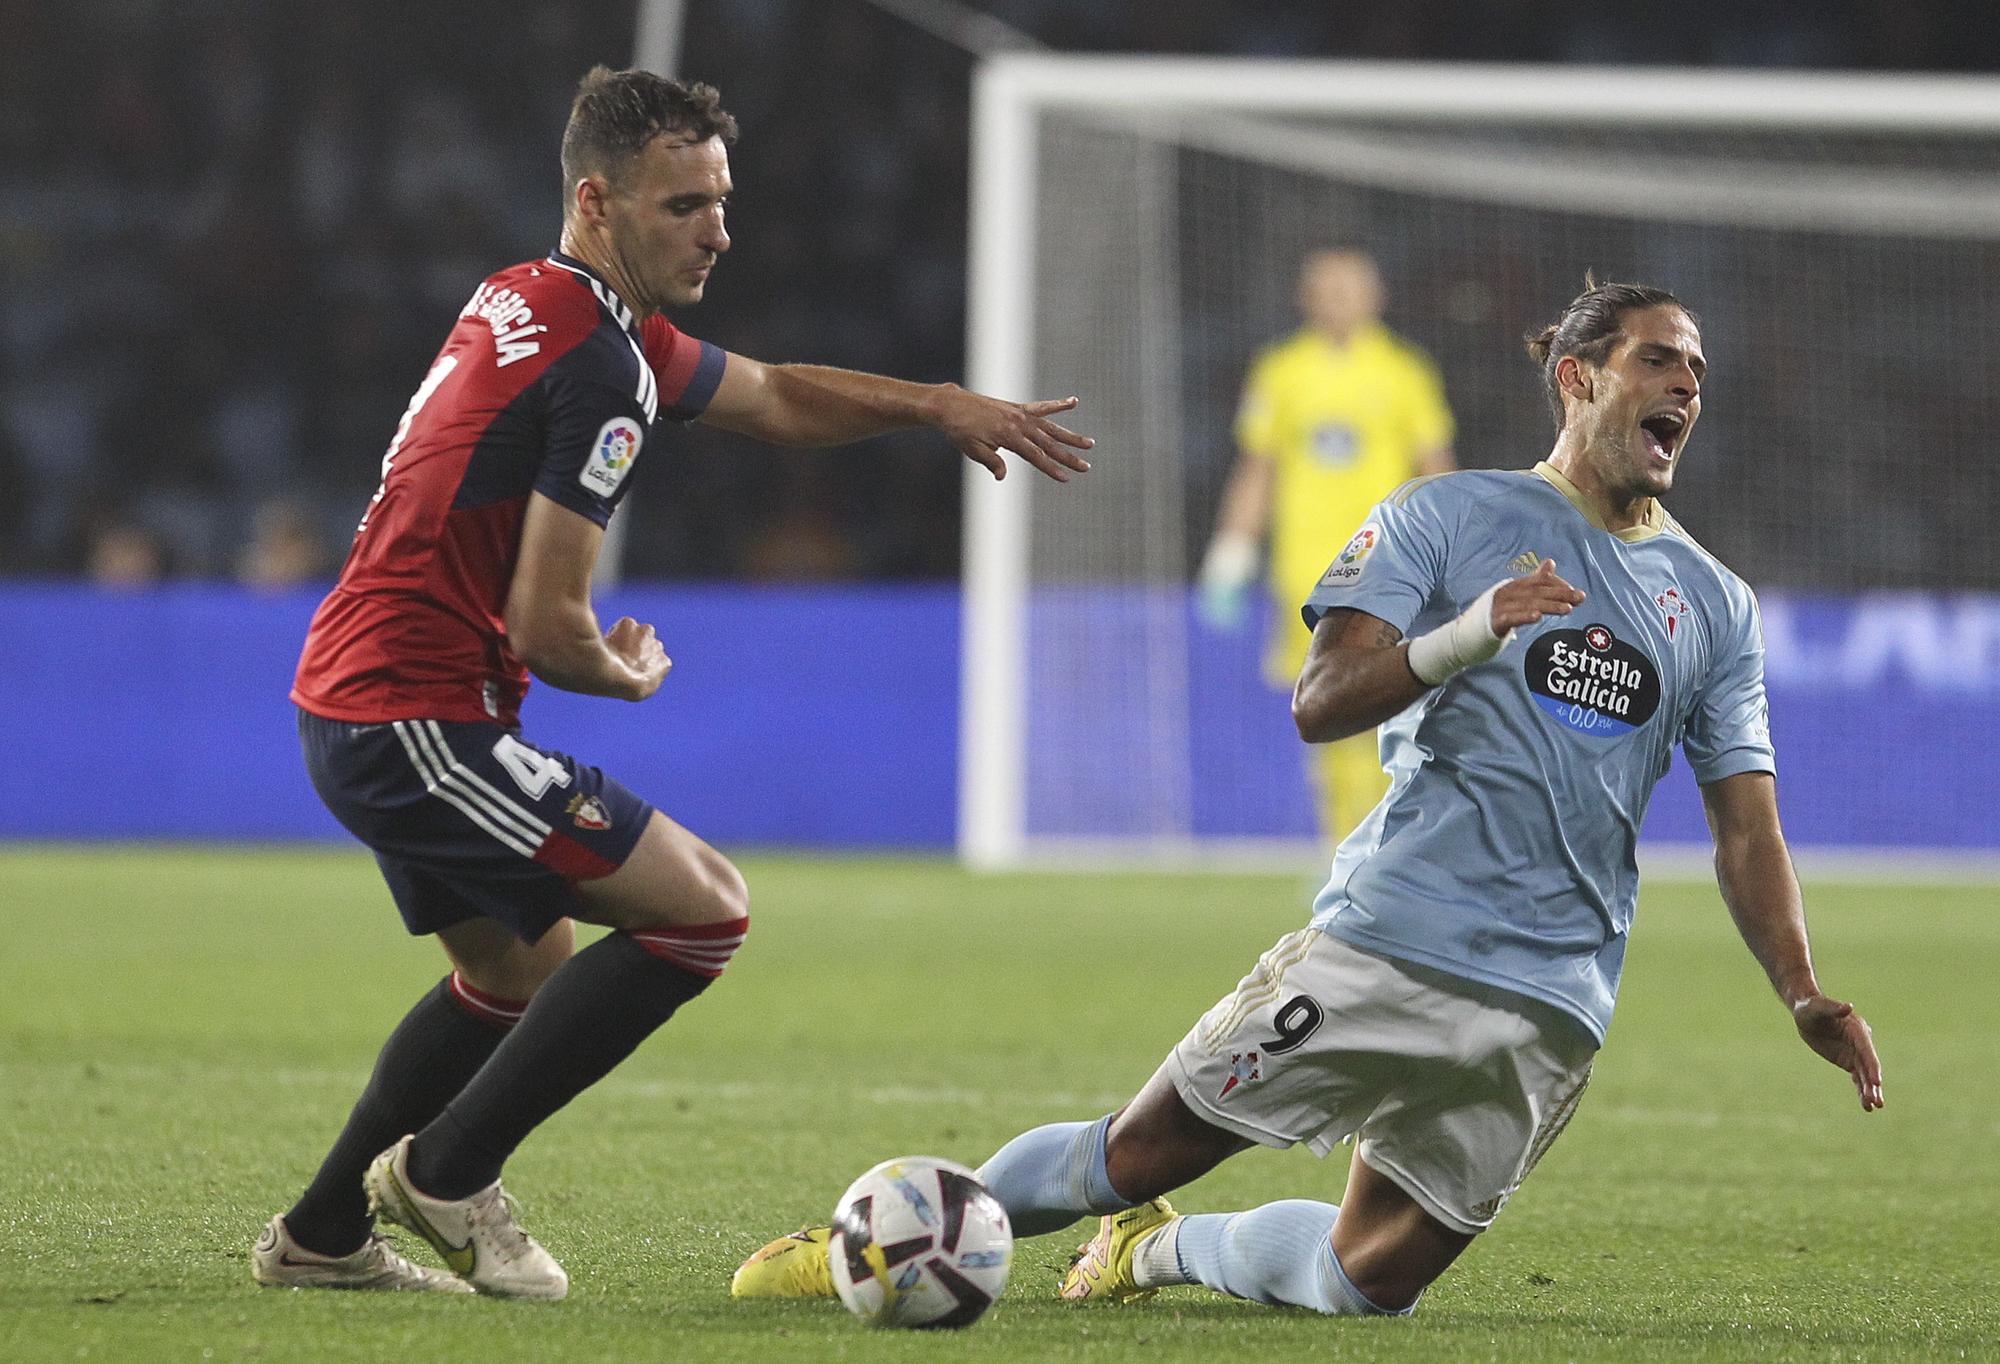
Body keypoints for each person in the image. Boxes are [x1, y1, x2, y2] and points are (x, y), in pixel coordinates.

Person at [731, 279, 1882, 1317]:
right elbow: (1321, 698)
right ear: (1576, 377)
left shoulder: (1714, 603)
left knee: (1362, 1279)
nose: (1684, 382)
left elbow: (1746, 822)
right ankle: (874, 1237)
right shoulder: (1443, 518)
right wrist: (1472, 630)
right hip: (1391, 944)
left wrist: (1798, 988)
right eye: (1656, 358)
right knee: (1132, 1152)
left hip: (1554, 999)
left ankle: (1155, 1255)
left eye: (1694, 370)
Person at [250, 66, 1092, 1301]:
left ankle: (321, 1237)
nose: (717, 229)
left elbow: (770, 393)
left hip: (365, 696)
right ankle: (444, 1170)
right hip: (416, 711)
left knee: (512, 968)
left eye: (722, 200)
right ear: (598, 202)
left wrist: (935, 404)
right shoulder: (602, 367)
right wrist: (623, 671)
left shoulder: (532, 297)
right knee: (702, 910)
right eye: (683, 205)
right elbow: (547, 623)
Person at [1198, 247, 1455, 847]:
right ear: (1305, 297)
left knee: (1393, 701)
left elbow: (1434, 467)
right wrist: (1231, 553)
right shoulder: (1281, 371)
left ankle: (1389, 840)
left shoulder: (1404, 373)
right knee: (1324, 705)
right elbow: (1258, 467)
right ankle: (1345, 844)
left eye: (1351, 287)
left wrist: (1454, 550)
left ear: (1376, 297)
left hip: (1390, 564)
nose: (1339, 299)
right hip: (1307, 569)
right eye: (1327, 288)